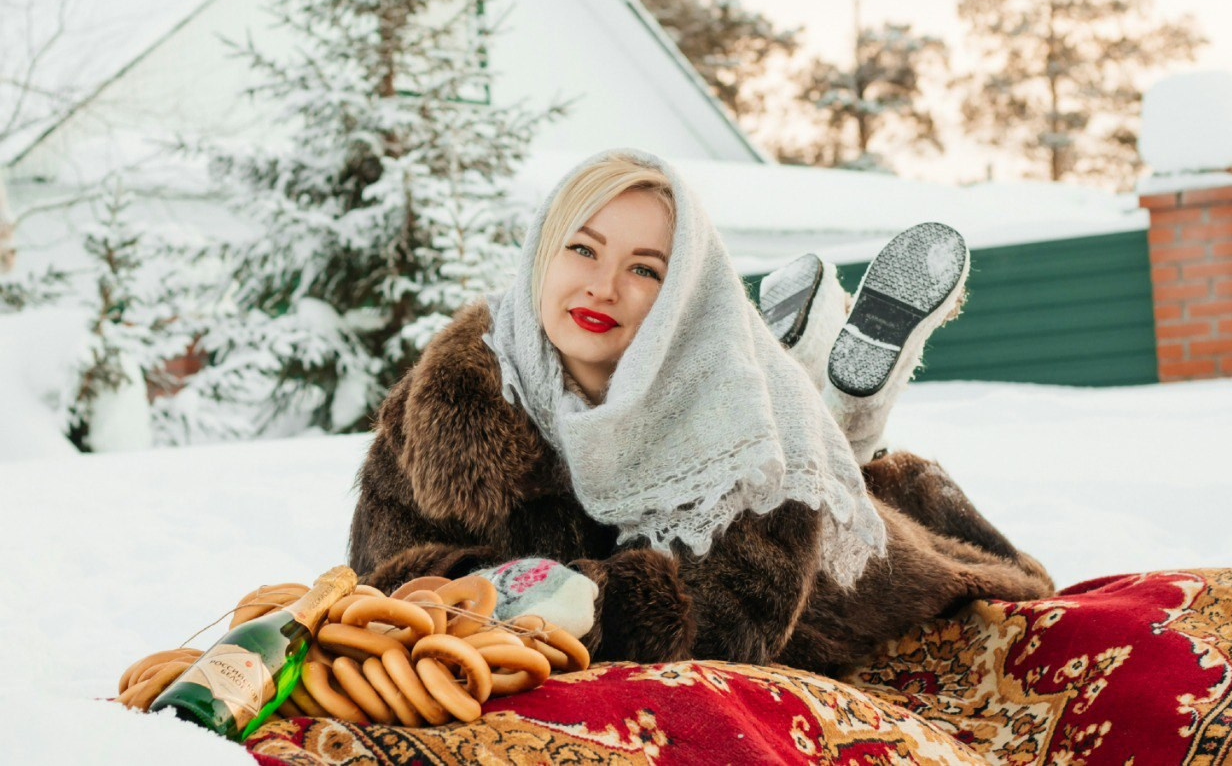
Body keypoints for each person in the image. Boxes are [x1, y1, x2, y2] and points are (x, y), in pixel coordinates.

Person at [348, 149, 1052, 678]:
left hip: (827, 587)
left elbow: (737, 618)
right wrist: (531, 601)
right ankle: (824, 397)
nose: (603, 285)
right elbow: (385, 576)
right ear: (541, 254)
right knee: (810, 428)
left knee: (917, 550)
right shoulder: (451, 399)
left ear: (680, 292)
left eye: (645, 268)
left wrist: (528, 602)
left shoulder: (739, 426)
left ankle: (837, 407)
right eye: (582, 248)